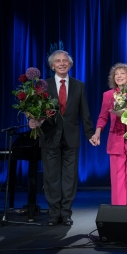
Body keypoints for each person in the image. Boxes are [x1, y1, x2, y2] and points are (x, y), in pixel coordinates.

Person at [28, 50, 95, 226]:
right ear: (52, 66)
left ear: (70, 64)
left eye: (65, 61)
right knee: (51, 177)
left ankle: (66, 214)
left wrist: (90, 134)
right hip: (50, 137)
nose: (62, 63)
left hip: (71, 137)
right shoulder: (43, 86)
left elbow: (85, 113)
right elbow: (35, 110)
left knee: (70, 178)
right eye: (58, 61)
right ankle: (53, 213)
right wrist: (32, 120)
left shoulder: (79, 85)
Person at [91, 63, 127, 206]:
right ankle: (118, 212)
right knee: (117, 179)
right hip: (116, 139)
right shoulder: (108, 95)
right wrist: (97, 133)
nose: (119, 76)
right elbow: (103, 117)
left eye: (122, 73)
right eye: (117, 74)